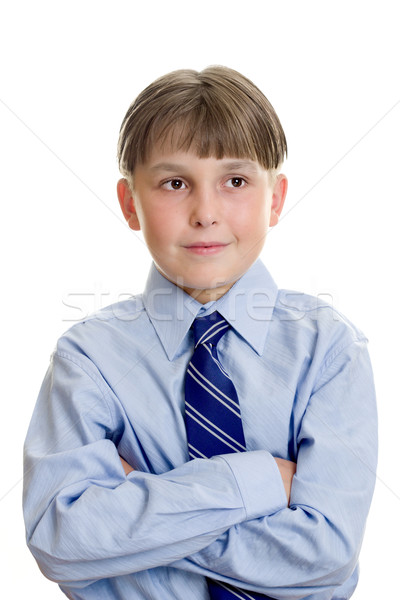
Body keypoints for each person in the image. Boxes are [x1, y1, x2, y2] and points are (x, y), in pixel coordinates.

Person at [23, 66, 377, 600]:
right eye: (174, 183)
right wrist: (258, 483)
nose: (205, 213)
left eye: (235, 181)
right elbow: (60, 539)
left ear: (275, 199)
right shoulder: (88, 359)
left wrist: (134, 516)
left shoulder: (329, 349)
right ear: (129, 204)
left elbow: (325, 556)